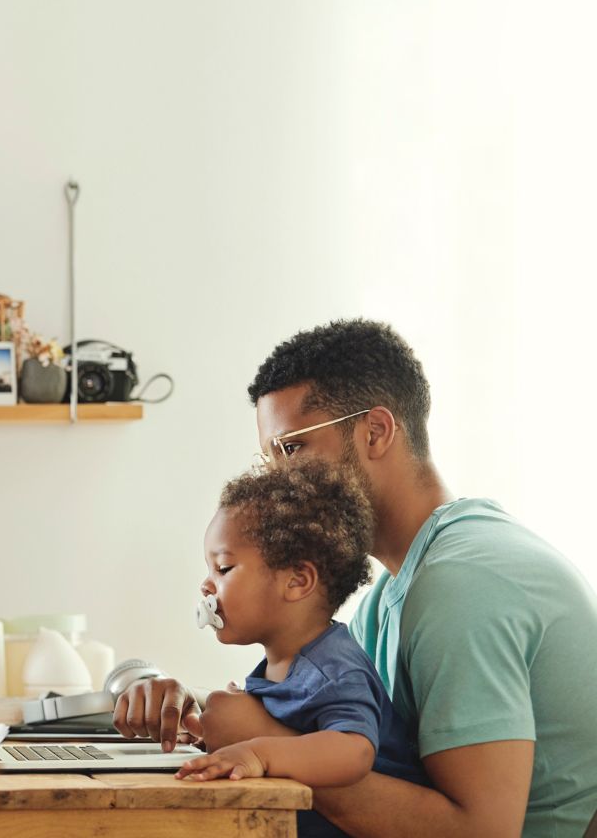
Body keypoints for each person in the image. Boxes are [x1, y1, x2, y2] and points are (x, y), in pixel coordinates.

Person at [115, 319, 597, 837]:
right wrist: (197, 708)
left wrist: (263, 741)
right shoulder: (393, 590)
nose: (278, 479)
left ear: (376, 431)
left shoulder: (463, 585)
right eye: (268, 457)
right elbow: (350, 730)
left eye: (292, 449)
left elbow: (479, 832)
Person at [175, 460, 429, 838]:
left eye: (224, 569)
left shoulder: (332, 668)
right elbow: (293, 732)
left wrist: (258, 751)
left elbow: (354, 751)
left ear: (297, 581)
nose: (206, 586)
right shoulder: (285, 663)